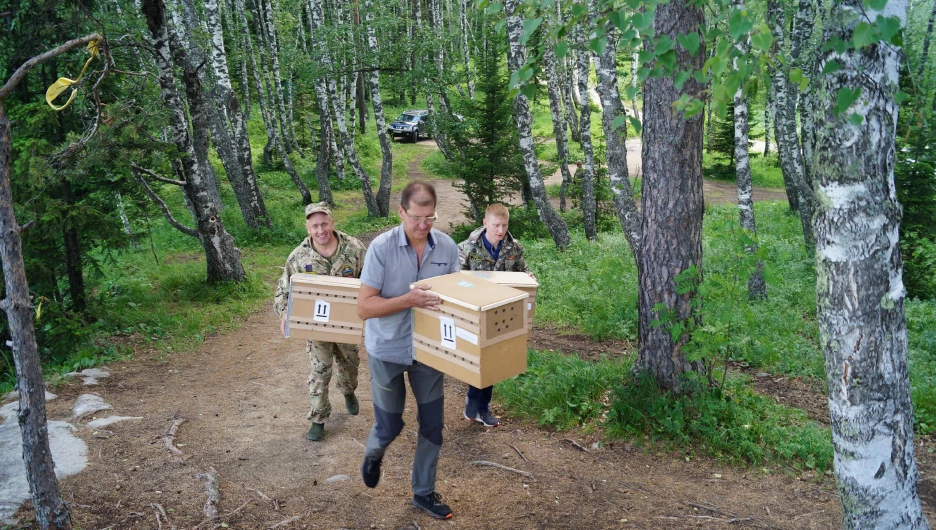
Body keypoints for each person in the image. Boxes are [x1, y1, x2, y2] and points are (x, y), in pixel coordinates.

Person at [356, 181, 459, 520]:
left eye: (430, 217)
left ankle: (424, 493)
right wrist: (408, 300)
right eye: (416, 217)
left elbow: (456, 299)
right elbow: (365, 307)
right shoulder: (381, 248)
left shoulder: (446, 247)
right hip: (387, 349)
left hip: (429, 352)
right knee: (389, 426)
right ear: (401, 212)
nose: (423, 225)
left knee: (433, 425)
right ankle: (373, 454)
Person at [273, 202, 367, 442]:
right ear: (308, 228)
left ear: (332, 223)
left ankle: (348, 391)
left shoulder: (354, 248)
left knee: (350, 366)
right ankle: (318, 418)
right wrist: (285, 312)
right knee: (319, 371)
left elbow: (371, 281)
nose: (320, 230)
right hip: (316, 327)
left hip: (347, 324)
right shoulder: (298, 257)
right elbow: (284, 291)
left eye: (324, 223)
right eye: (315, 225)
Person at [457, 203, 534, 428]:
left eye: (504, 225)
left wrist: (528, 277)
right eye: (496, 225)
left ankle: (480, 406)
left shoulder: (514, 248)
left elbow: (522, 271)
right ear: (485, 223)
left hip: (502, 313)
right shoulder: (466, 248)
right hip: (472, 311)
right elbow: (455, 280)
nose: (500, 230)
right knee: (478, 357)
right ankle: (476, 403)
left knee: (492, 359)